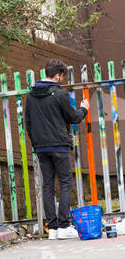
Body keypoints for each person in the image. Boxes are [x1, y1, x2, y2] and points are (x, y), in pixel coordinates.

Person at [25, 59, 90, 240]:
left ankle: (52, 229)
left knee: (48, 185)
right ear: (57, 75)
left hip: (41, 148)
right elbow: (73, 117)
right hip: (59, 146)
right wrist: (83, 109)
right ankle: (63, 226)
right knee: (65, 183)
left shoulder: (31, 96)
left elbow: (28, 123)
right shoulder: (58, 94)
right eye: (62, 77)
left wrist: (37, 143)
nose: (62, 80)